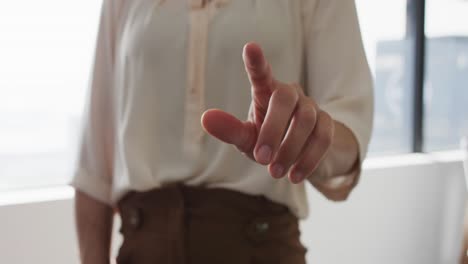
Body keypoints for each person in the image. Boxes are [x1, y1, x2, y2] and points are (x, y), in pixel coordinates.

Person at [71, 0, 373, 263]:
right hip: (141, 249)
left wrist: (310, 135)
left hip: (261, 248)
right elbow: (95, 168)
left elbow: (349, 135)